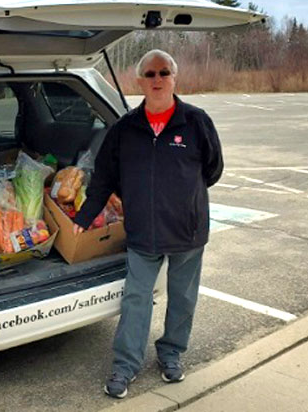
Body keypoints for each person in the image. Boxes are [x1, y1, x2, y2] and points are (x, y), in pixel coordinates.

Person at [72, 49, 223, 399]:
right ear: (139, 81)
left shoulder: (196, 122)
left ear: (174, 77)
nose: (157, 80)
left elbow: (213, 170)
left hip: (187, 231)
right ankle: (126, 366)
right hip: (143, 232)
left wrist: (185, 199)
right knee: (136, 299)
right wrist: (85, 216)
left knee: (183, 299)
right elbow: (104, 177)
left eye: (164, 73)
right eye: (150, 74)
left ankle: (171, 354)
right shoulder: (125, 129)